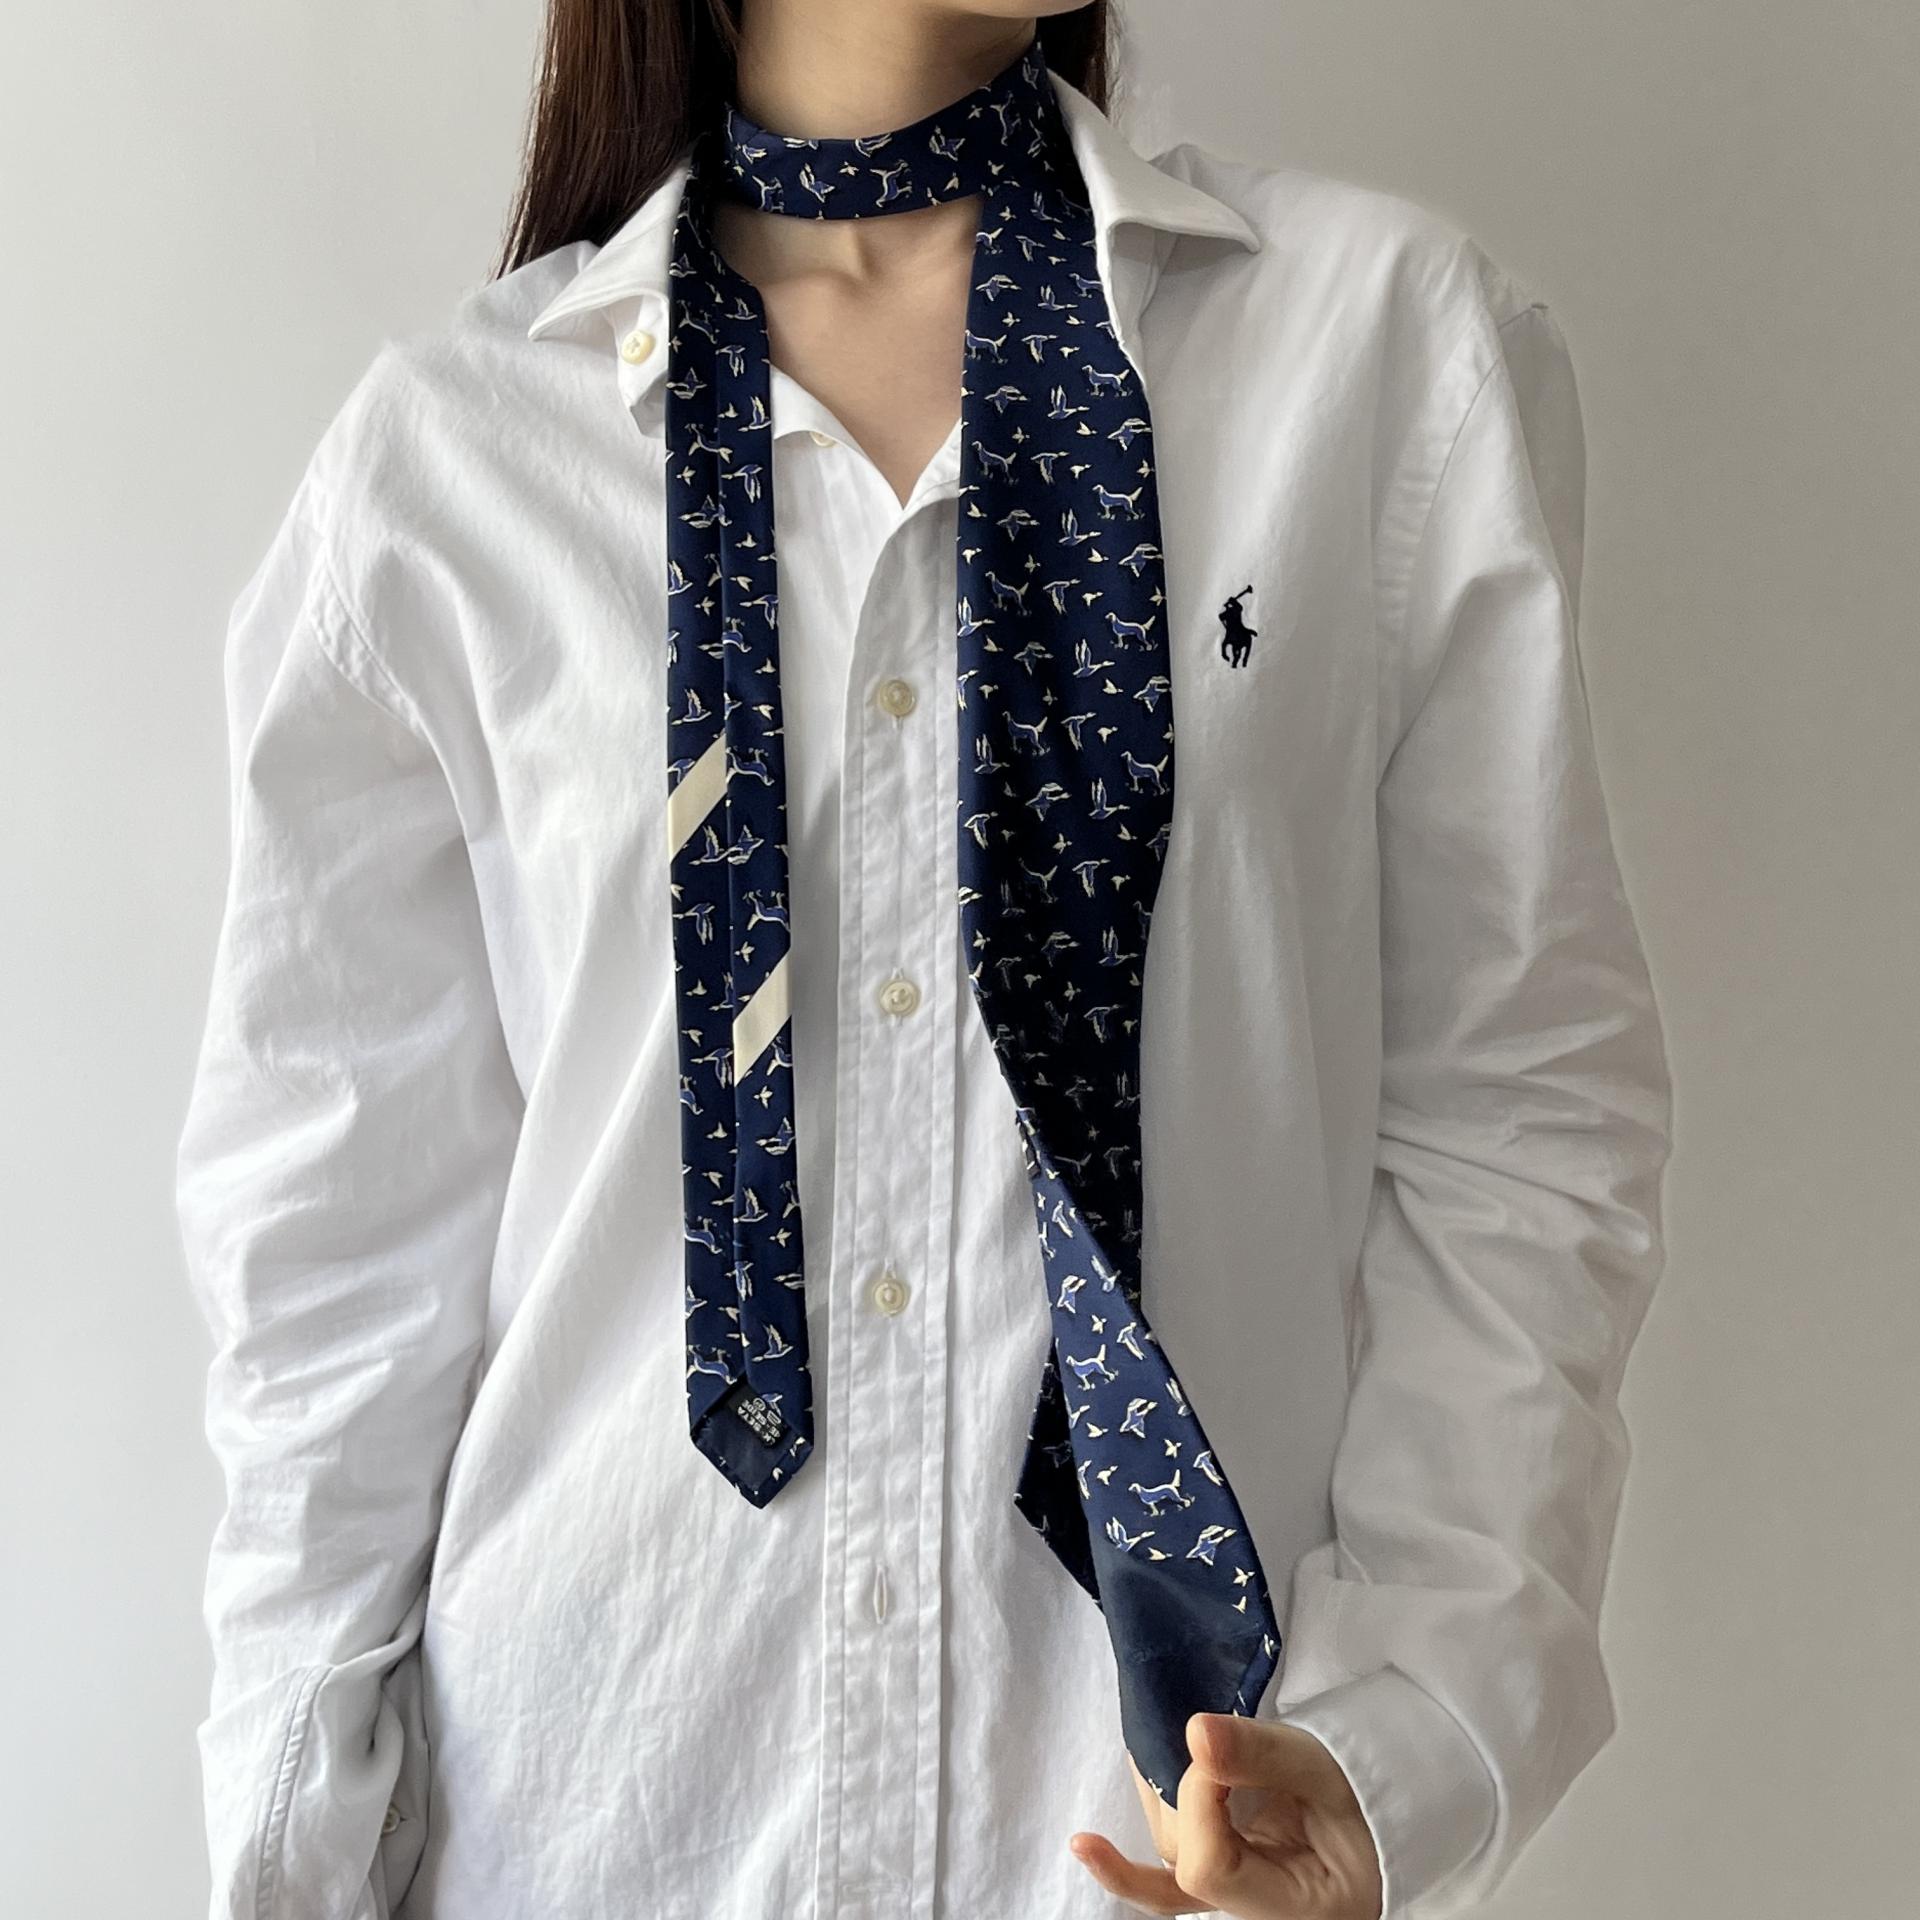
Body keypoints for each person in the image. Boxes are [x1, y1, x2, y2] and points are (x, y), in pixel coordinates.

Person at [172, 2, 1675, 1917]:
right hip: (580, 1819)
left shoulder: (1375, 359)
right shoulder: (453, 461)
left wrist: (1406, 1733)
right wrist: (290, 1855)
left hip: (1147, 1845)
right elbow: (335, 1267)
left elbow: (1521, 1127)